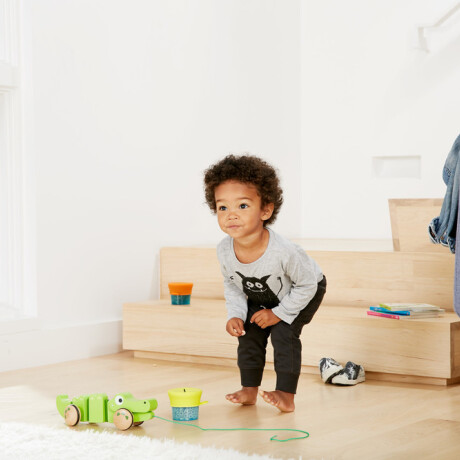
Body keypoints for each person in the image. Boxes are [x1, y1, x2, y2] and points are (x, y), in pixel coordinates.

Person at [203, 154, 326, 412]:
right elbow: (234, 285)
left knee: (284, 333)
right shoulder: (224, 250)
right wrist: (235, 314)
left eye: (243, 206)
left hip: (303, 290)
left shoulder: (284, 252)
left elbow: (307, 285)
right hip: (261, 295)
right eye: (223, 207)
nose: (231, 215)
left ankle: (286, 395)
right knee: (248, 332)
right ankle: (249, 390)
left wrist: (279, 314)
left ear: (266, 210)